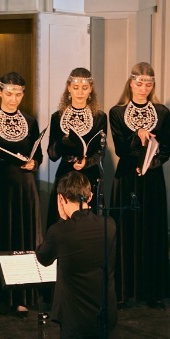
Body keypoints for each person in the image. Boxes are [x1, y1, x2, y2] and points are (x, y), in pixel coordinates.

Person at [37, 171, 120, 339]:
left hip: (75, 318)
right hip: (105, 314)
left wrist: (62, 220)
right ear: (90, 196)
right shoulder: (109, 225)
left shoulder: (59, 232)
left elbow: (43, 258)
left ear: (61, 199)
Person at [0, 71, 43, 317]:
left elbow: (39, 155)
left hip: (23, 189)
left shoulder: (31, 122)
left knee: (21, 242)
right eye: (9, 94)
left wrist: (34, 164)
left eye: (18, 94)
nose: (14, 99)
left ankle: (20, 297)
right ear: (0, 92)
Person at [108, 62, 170, 305]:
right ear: (131, 83)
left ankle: (152, 293)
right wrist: (138, 136)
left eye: (148, 83)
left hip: (152, 177)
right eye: (139, 82)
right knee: (125, 233)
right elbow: (121, 148)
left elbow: (166, 149)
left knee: (151, 231)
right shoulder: (117, 112)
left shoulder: (163, 112)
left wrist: (151, 164)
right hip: (126, 176)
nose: (143, 87)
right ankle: (123, 291)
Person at [47, 67, 107, 229]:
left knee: (89, 225)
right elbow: (52, 154)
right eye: (75, 87)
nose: (80, 92)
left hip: (89, 174)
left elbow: (101, 151)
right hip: (65, 175)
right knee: (63, 223)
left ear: (91, 90)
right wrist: (62, 142)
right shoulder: (57, 117)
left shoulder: (99, 117)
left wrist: (86, 163)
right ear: (68, 88)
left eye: (85, 88)